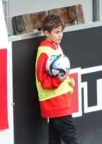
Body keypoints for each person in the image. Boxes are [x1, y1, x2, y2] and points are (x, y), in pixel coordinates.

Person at [34, 12, 79, 143]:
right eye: (56, 32)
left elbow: (60, 71)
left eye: (61, 31)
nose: (60, 35)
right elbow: (42, 80)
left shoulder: (56, 46)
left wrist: (69, 80)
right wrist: (59, 80)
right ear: (47, 33)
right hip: (55, 102)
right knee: (70, 137)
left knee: (55, 139)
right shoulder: (44, 52)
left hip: (59, 100)